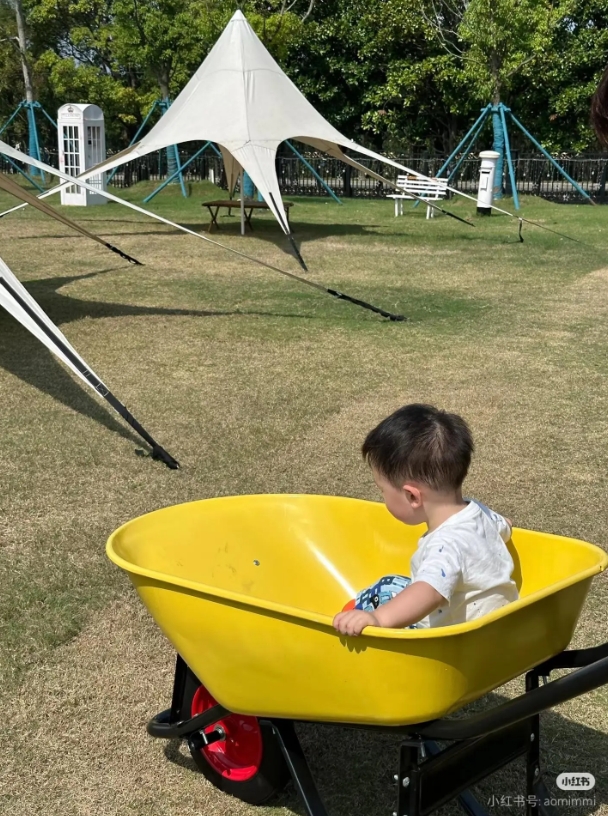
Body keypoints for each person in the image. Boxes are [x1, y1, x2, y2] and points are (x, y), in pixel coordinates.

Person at [332, 404, 519, 636]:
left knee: (385, 587)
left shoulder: (445, 545)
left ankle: (350, 620)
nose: (382, 497)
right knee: (400, 586)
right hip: (501, 628)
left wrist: (378, 618)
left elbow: (429, 591)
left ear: (412, 496)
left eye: (382, 491)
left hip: (456, 637)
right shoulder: (479, 512)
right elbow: (505, 526)